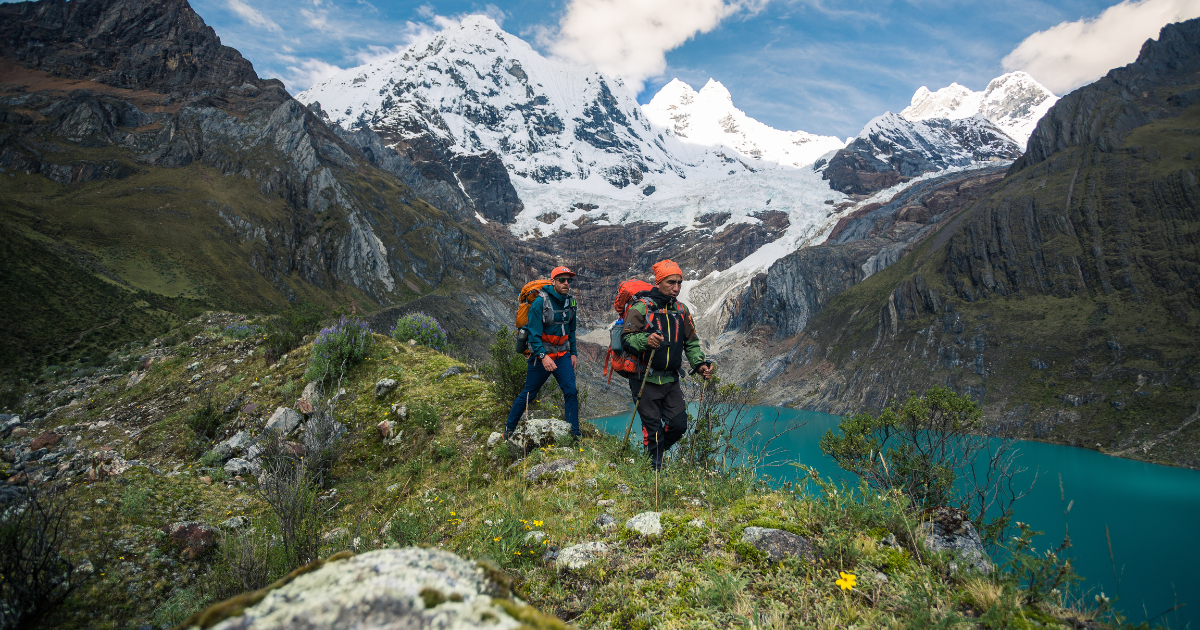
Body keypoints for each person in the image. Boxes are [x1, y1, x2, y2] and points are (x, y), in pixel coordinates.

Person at [621, 259, 714, 470]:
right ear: (659, 282)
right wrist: (646, 341)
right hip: (645, 378)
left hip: (670, 379)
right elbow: (626, 339)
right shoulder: (641, 308)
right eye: (671, 282)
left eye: (679, 283)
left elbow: (690, 343)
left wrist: (699, 365)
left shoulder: (682, 310)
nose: (676, 288)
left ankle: (653, 455)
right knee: (653, 429)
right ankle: (654, 473)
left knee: (679, 425)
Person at [505, 267, 581, 438]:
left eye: (569, 280)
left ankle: (574, 435)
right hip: (541, 357)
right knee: (528, 395)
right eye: (562, 280)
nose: (566, 283)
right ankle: (508, 429)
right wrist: (543, 357)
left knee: (570, 392)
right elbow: (533, 335)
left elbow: (572, 331)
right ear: (553, 281)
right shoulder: (540, 302)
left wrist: (574, 353)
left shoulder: (571, 302)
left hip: (562, 356)